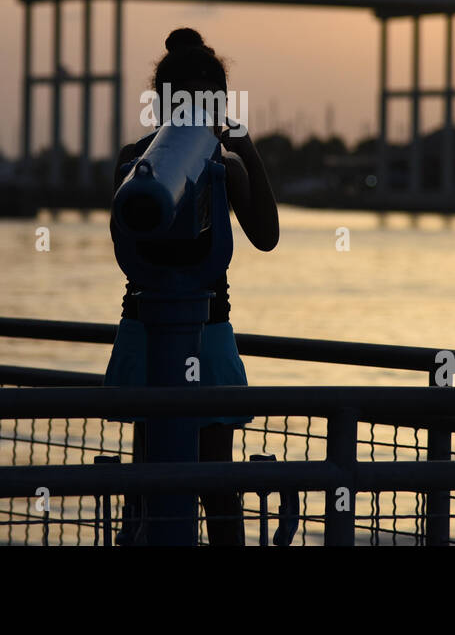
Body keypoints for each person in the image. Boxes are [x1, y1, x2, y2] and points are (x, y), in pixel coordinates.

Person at [105, 27, 279, 546]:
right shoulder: (145, 166)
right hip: (193, 329)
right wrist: (241, 152)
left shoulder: (139, 165)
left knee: (156, 480)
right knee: (209, 487)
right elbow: (268, 237)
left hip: (156, 329)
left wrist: (241, 153)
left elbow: (265, 236)